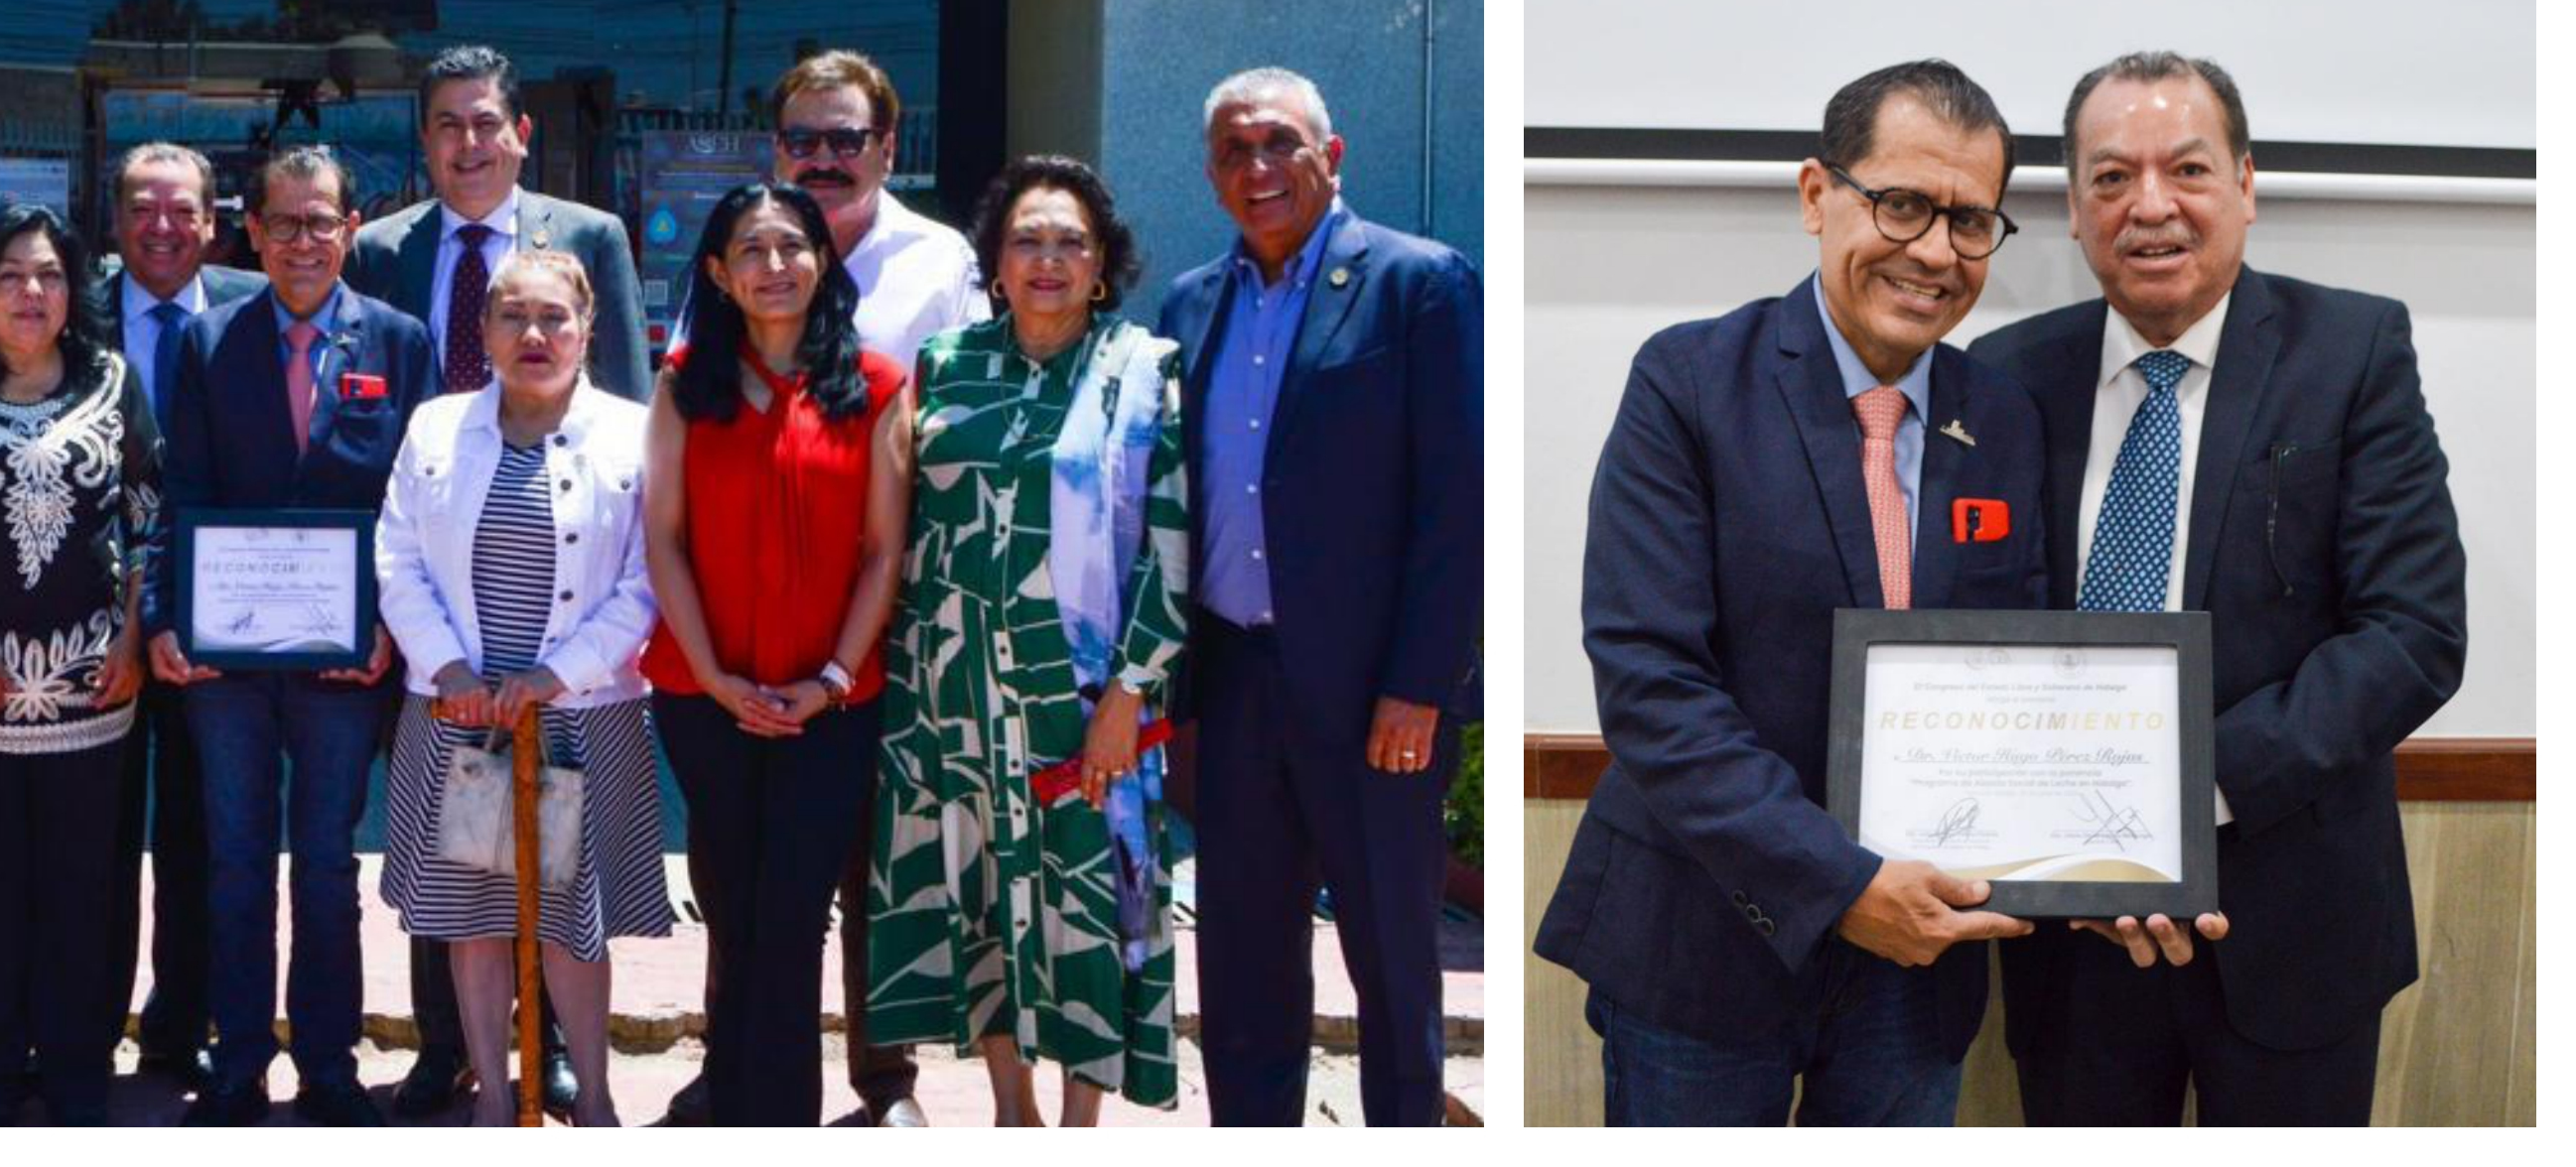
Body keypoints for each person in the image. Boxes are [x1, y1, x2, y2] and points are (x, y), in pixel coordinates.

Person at [1532, 60, 2050, 1125]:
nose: (1935, 253)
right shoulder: (1687, 382)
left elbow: (2028, 676)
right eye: (1902, 205)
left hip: (1919, 968)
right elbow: (1651, 685)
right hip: (1704, 945)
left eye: (1970, 221)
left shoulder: (2005, 418)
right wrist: (1845, 885)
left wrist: (2111, 868)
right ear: (1818, 195)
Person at [1972, 54, 2466, 1125]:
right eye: (2110, 178)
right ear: (2072, 207)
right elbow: (1974, 635)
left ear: (2246, 185)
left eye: (2186, 169)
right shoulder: (2005, 374)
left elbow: (2414, 632)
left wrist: (2181, 801)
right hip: (2072, 931)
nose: (2150, 206)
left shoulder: (2352, 348)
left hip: (2294, 923)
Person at [1149, 67, 1483, 1125]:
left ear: (1330, 157)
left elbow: (1457, 499)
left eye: (1279, 145)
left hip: (1373, 693)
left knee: (1389, 957)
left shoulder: (1417, 282)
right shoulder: (1191, 302)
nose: (1259, 169)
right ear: (1211, 177)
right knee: (1243, 959)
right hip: (1235, 681)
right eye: (1235, 153)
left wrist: (1420, 685)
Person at [866, 156, 1187, 1125]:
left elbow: (1168, 548)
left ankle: (1081, 1125)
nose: (1047, 259)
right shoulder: (945, 365)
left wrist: (1129, 696)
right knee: (979, 899)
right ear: (995, 265)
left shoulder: (1144, 371)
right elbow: (899, 527)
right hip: (949, 695)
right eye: (1026, 241)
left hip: (1083, 701)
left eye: (1071, 242)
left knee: (1086, 908)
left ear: (1101, 267)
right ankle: (1012, 1111)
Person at [150, 147, 437, 1125]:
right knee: (234, 862)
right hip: (226, 665)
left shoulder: (400, 343)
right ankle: (235, 1068)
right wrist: (165, 619)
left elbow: (415, 504)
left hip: (344, 662)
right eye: (284, 223)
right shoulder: (208, 341)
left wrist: (391, 627)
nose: (303, 241)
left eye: (321, 223)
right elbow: (179, 492)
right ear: (253, 233)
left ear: (352, 230)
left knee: (324, 866)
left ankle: (328, 1066)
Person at [376, 246, 673, 1126]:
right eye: (513, 316)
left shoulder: (634, 428)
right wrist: (453, 670)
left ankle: (596, 1095)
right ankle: (496, 1103)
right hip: (462, 715)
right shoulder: (435, 427)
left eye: (555, 317)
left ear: (587, 329)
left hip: (580, 715)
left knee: (569, 924)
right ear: (483, 332)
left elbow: (649, 578)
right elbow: (395, 558)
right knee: (474, 916)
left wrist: (556, 675)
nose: (534, 334)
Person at [638, 185, 906, 1127]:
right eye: (750, 250)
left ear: (824, 263)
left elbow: (884, 550)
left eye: (793, 245)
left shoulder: (874, 386)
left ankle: (780, 1116)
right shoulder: (683, 387)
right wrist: (715, 676)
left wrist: (829, 679)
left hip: (832, 702)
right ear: (717, 272)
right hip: (704, 695)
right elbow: (661, 538)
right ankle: (731, 1096)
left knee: (793, 917)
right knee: (734, 905)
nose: (775, 265)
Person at [0, 208, 163, 1125]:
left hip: (95, 691)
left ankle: (79, 1071)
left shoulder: (113, 383)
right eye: (11, 275)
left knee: (84, 888)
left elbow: (146, 521)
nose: (31, 293)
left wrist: (133, 637)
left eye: (49, 275)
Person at [90, 144, 256, 1086]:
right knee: (99, 838)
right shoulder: (64, 303)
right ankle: (84, 1024)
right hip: (87, 620)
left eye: (182, 211)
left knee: (201, 835)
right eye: (144, 209)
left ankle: (178, 1023)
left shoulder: (251, 306)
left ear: (212, 221)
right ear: (115, 222)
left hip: (213, 620)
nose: (164, 227)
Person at [352, 45, 650, 400]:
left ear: (522, 134)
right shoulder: (374, 250)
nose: (469, 143)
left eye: (486, 124)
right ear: (426, 141)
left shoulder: (592, 239)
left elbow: (627, 395)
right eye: (449, 126)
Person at [769, 48, 986, 378]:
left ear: (887, 152)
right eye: (802, 140)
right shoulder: (741, 257)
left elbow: (976, 400)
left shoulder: (946, 261)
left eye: (846, 141)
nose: (824, 161)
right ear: (778, 152)